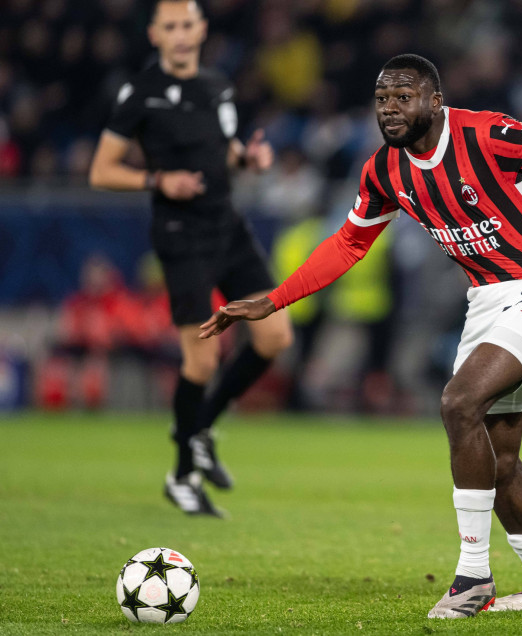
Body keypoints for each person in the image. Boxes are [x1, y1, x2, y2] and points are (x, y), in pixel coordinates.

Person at [198, 53, 522, 618]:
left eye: (403, 96)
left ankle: (472, 577)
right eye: (382, 97)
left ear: (434, 100)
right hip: (486, 302)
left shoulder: (487, 133)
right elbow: (348, 243)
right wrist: (273, 300)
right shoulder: (384, 170)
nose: (390, 107)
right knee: (499, 459)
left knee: (457, 402)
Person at [89, 0, 293, 517]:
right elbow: (102, 171)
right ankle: (182, 473)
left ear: (201, 29)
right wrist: (159, 180)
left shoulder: (217, 86)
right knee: (202, 356)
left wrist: (248, 158)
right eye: (170, 27)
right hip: (181, 234)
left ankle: (201, 427)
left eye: (188, 25)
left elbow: (221, 148)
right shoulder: (141, 94)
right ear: (155, 35)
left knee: (274, 335)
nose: (181, 34)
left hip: (228, 225)